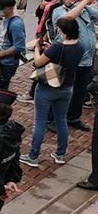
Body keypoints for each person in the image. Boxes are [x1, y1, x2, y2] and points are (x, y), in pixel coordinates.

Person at [22, 17, 83, 167]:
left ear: (63, 31)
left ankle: (33, 156)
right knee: (61, 120)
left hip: (48, 88)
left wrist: (37, 48)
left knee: (40, 122)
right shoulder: (80, 46)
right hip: (67, 88)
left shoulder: (57, 47)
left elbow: (37, 62)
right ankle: (60, 154)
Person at [52, 0, 97, 134]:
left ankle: (73, 117)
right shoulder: (59, 10)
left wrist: (88, 3)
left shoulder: (86, 10)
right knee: (62, 90)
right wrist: (83, 1)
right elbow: (65, 20)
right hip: (69, 59)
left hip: (86, 60)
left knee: (79, 91)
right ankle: (53, 119)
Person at [0, 0, 24, 88]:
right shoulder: (5, 18)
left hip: (8, 63)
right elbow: (2, 36)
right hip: (0, 61)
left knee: (1, 88)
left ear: (8, 9)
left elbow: (18, 46)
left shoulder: (16, 24)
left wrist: (0, 54)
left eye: (0, 9)